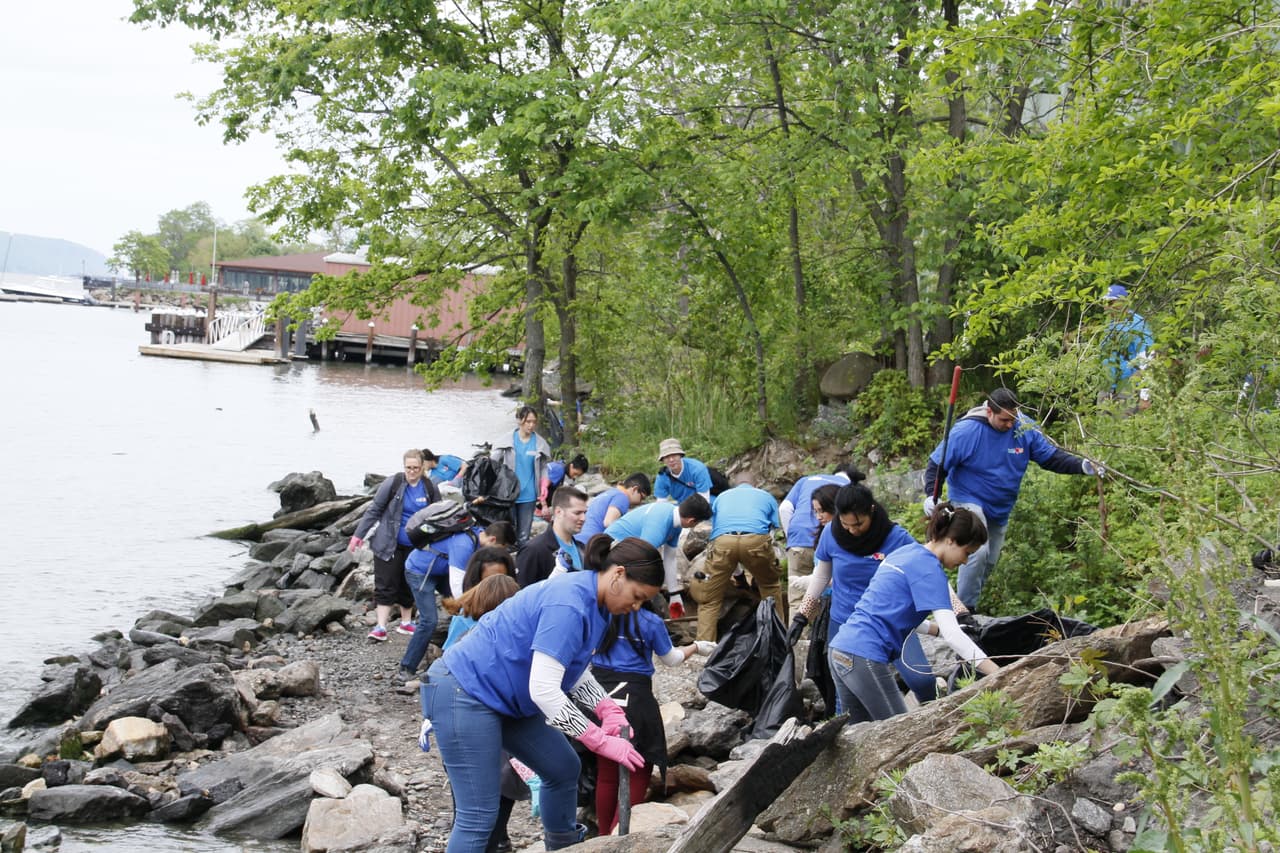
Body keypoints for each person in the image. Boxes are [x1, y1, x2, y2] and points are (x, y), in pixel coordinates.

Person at [423, 536, 663, 852]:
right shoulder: (569, 602)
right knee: (479, 816)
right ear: (618, 575)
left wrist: (606, 708)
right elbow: (545, 690)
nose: (636, 607)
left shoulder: (600, 607)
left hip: (507, 698)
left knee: (563, 769)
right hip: (463, 691)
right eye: (637, 596)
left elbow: (571, 670)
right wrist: (599, 740)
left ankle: (563, 847)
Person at [924, 387, 1102, 611]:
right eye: (1004, 420)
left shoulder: (1023, 427)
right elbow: (936, 465)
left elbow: (1050, 458)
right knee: (978, 552)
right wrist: (932, 494)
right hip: (968, 500)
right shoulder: (967, 431)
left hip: (999, 508)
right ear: (989, 412)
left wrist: (1082, 466)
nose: (1010, 425)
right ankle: (963, 612)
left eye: (1013, 419)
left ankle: (966, 603)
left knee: (989, 561)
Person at [828, 503, 999, 723]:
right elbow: (955, 636)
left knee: (855, 735)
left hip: (841, 649)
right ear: (951, 540)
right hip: (864, 655)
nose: (965, 561)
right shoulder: (930, 570)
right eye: (967, 553)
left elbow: (892, 611)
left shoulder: (905, 553)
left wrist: (936, 631)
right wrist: (997, 672)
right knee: (897, 732)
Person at [789, 476, 935, 703]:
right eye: (846, 524)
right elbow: (822, 575)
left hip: (889, 621)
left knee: (922, 681)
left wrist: (958, 611)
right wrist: (802, 614)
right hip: (845, 622)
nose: (852, 531)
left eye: (858, 524)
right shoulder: (831, 533)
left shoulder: (896, 538)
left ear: (872, 511)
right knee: (846, 693)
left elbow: (928, 570)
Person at [589, 607, 714, 834]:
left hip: (599, 693)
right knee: (639, 768)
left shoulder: (599, 613)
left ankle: (601, 836)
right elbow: (671, 659)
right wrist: (696, 647)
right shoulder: (649, 620)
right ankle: (618, 840)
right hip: (636, 698)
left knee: (606, 775)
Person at [438, 571, 524, 853]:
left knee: (467, 815)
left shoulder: (466, 637)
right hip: (502, 750)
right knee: (492, 817)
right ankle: (498, 842)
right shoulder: (512, 644)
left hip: (462, 739)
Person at [349, 449, 441, 642]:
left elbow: (438, 515)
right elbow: (374, 510)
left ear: (423, 467)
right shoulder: (393, 484)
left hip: (416, 545)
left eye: (416, 468)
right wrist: (358, 536)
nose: (412, 471)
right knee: (385, 584)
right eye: (408, 468)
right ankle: (381, 626)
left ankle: (406, 622)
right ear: (403, 467)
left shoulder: (430, 487)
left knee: (409, 583)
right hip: (388, 543)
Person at [697, 475, 782, 642]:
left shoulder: (722, 497)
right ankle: (777, 641)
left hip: (723, 542)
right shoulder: (765, 496)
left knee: (710, 599)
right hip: (755, 539)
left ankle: (704, 648)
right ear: (755, 484)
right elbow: (772, 531)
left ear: (734, 486)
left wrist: (737, 574)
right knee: (770, 586)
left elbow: (720, 531)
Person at [605, 494, 712, 619]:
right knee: (648, 589)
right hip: (611, 551)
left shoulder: (674, 521)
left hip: (629, 554)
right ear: (691, 521)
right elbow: (641, 561)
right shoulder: (659, 524)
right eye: (697, 523)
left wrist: (674, 594)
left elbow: (670, 558)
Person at [399, 522, 481, 682]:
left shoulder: (477, 535)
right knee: (429, 621)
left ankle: (451, 654)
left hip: (439, 569)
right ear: (492, 539)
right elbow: (458, 584)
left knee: (462, 607)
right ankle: (406, 668)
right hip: (419, 570)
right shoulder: (464, 544)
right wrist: (466, 604)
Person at [779, 465, 857, 583]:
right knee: (828, 585)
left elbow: (784, 508)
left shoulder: (805, 480)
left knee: (797, 588)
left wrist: (791, 538)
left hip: (799, 539)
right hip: (832, 544)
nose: (818, 517)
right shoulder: (849, 488)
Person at [491, 406, 551, 547]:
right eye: (527, 421)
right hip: (508, 494)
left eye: (534, 422)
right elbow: (492, 464)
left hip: (528, 495)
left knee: (524, 535)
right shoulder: (507, 441)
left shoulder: (539, 443)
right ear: (519, 421)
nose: (531, 425)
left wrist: (544, 484)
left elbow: (543, 467)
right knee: (508, 531)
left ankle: (522, 562)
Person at [516, 487, 588, 588]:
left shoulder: (583, 549)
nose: (583, 518)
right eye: (577, 513)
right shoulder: (534, 550)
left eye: (585, 513)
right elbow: (520, 595)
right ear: (558, 512)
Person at [1100, 284, 1153, 411]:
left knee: (1123, 426)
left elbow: (1148, 358)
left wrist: (1145, 396)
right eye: (1105, 302)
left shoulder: (1137, 323)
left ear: (1123, 302)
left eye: (1111, 302)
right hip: (1106, 386)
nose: (1107, 306)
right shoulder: (1108, 324)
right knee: (1102, 427)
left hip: (1127, 387)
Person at [574, 473, 651, 545]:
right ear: (634, 489)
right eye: (641, 498)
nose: (640, 502)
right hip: (590, 544)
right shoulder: (622, 497)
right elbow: (608, 522)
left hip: (578, 539)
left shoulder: (610, 493)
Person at [653, 438, 712, 503]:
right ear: (663, 460)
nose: (671, 460)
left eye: (674, 455)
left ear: (680, 455)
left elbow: (705, 501)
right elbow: (661, 502)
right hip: (682, 506)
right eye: (667, 457)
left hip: (705, 502)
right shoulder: (662, 476)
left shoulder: (697, 469)